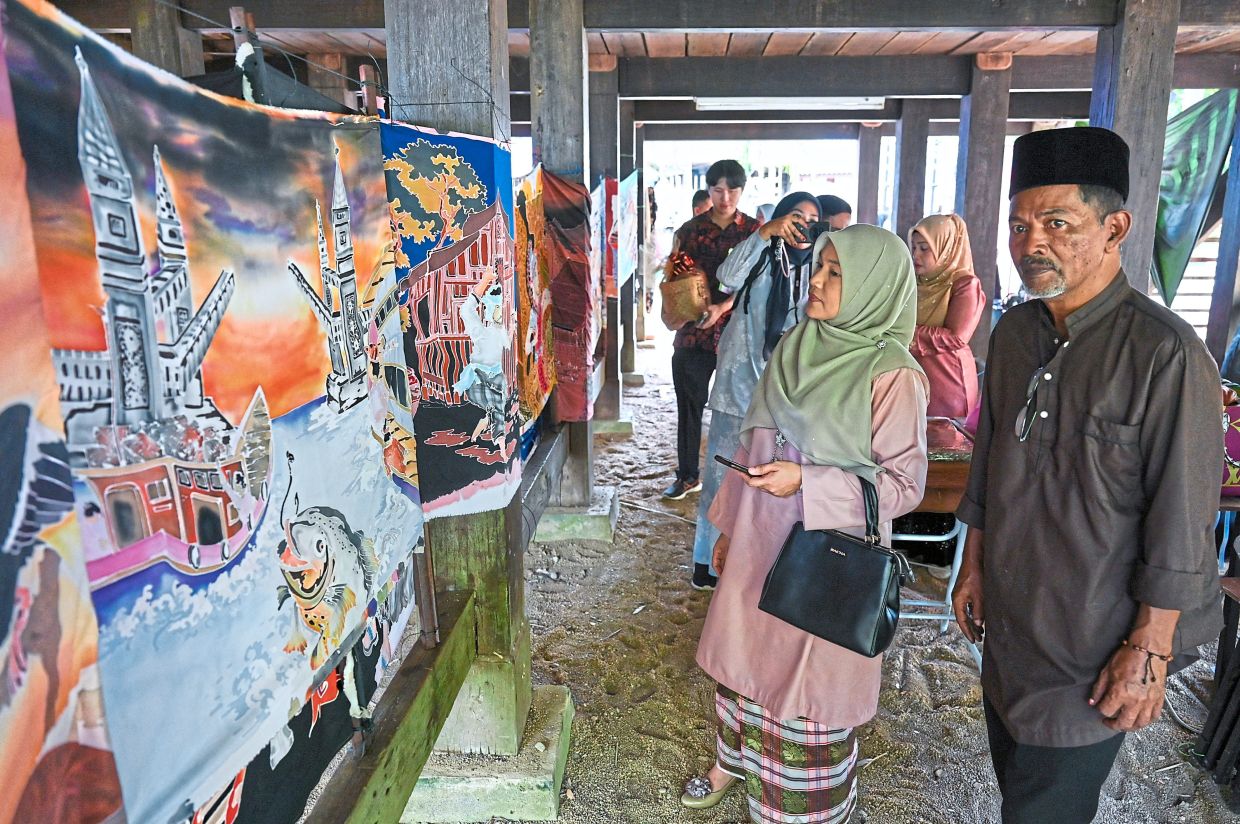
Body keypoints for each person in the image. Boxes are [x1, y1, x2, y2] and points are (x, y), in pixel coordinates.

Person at [950, 126, 1224, 823]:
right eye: (1019, 225)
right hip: (1011, 625)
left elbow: (1183, 516)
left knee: (1044, 811)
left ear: (1115, 228)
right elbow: (990, 464)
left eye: (1057, 223)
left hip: (1093, 643)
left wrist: (1149, 649)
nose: (1030, 243)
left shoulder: (1165, 354)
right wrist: (972, 566)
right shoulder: (1015, 334)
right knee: (1017, 785)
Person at [684, 225, 929, 820]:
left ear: (875, 285)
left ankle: (799, 807)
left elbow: (904, 487)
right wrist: (726, 528)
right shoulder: (798, 342)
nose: (815, 281)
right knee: (744, 663)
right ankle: (733, 763)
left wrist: (808, 481)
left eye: (835, 273)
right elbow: (752, 444)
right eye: (817, 266)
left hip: (826, 556)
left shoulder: (892, 374)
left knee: (805, 688)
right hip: (760, 537)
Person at [688, 192, 821, 590]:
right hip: (740, 383)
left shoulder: (820, 267)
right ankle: (705, 563)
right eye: (796, 216)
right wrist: (765, 233)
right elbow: (726, 277)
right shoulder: (762, 254)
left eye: (812, 220)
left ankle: (758, 564)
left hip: (790, 390)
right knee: (721, 473)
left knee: (772, 475)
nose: (803, 226)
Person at [663, 160, 760, 500]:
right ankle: (688, 475)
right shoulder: (689, 231)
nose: (725, 197)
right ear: (708, 190)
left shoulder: (754, 232)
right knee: (689, 405)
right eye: (718, 190)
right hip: (694, 332)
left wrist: (723, 307)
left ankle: (738, 480)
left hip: (739, 333)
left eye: (732, 190)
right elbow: (673, 281)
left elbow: (756, 286)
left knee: (740, 409)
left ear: (742, 190)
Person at [908, 214, 986, 417]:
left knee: (943, 441)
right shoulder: (915, 282)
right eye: (914, 247)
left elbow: (956, 337)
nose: (916, 255)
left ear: (946, 249)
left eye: (924, 248)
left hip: (947, 378)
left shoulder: (965, 284)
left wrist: (903, 332)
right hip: (915, 373)